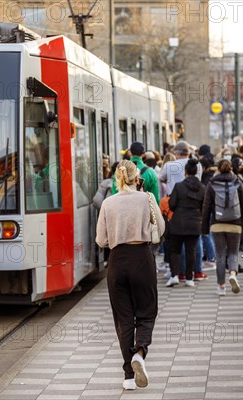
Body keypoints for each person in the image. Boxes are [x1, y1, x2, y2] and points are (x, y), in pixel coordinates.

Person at [96, 160, 165, 391]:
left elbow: (101, 240)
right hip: (141, 258)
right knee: (146, 312)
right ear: (138, 178)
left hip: (117, 261)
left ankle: (128, 376)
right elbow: (161, 229)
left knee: (123, 320)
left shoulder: (108, 203)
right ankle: (141, 351)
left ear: (117, 178)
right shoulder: (147, 199)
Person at [202, 159, 243, 295]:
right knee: (233, 253)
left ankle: (221, 286)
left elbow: (206, 207)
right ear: (231, 169)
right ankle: (233, 273)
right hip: (235, 224)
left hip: (217, 224)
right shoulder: (238, 182)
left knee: (220, 255)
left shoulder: (212, 184)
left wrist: (204, 228)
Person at [165, 159, 205, 288]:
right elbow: (204, 207)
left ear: (185, 172)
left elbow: (171, 205)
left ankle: (174, 276)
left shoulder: (178, 186)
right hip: (195, 222)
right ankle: (189, 279)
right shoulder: (203, 188)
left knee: (174, 249)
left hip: (178, 222)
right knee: (191, 250)